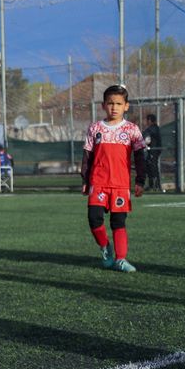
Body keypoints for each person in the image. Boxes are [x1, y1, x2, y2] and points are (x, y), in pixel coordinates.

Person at [82, 85, 146, 273]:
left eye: (118, 103)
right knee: (94, 219)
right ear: (103, 105)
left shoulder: (132, 129)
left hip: (120, 184)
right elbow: (87, 156)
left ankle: (120, 259)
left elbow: (140, 157)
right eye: (110, 103)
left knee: (118, 222)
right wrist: (85, 179)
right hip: (98, 182)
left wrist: (140, 181)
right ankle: (105, 247)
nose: (114, 107)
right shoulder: (95, 128)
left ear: (126, 106)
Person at [143, 114, 163, 192]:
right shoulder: (155, 128)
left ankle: (156, 185)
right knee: (150, 167)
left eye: (147, 120)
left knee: (153, 167)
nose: (146, 122)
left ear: (149, 120)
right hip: (154, 151)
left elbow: (147, 140)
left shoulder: (151, 129)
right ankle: (152, 185)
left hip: (153, 151)